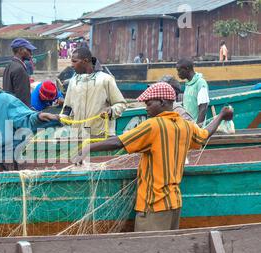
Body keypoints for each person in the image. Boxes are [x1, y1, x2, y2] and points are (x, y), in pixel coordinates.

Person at [73, 82, 234, 232]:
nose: (146, 108)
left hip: (153, 205)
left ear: (163, 102)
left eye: (149, 104)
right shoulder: (186, 126)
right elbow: (204, 135)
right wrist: (221, 116)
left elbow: (119, 142)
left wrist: (88, 147)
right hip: (174, 203)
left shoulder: (153, 125)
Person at [63, 47, 127, 137]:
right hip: (77, 136)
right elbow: (67, 108)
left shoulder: (105, 79)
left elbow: (121, 104)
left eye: (74, 61)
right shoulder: (73, 82)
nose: (72, 65)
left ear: (85, 61)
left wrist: (111, 111)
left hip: (100, 136)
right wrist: (62, 118)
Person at [3, 38, 36, 107]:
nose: (31, 53)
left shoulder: (9, 65)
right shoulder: (19, 69)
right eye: (28, 50)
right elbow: (22, 98)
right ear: (20, 50)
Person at [176, 58, 210, 127]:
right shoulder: (188, 84)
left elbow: (203, 108)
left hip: (195, 129)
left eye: (179, 70)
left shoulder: (200, 83)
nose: (178, 74)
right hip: (188, 127)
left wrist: (197, 129)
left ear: (187, 69)